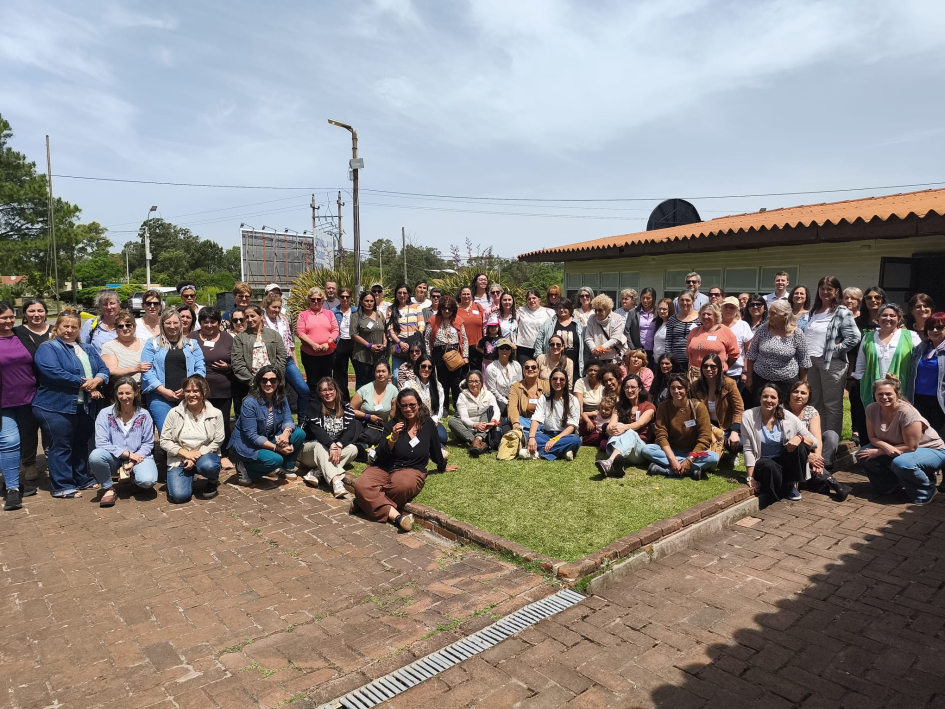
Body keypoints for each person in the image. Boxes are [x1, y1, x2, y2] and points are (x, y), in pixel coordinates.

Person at [353, 389, 458, 530]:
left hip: (411, 468)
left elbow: (434, 447)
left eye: (412, 405)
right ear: (399, 407)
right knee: (361, 485)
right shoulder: (391, 425)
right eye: (404, 406)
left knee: (401, 486)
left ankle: (363, 502)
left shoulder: (427, 424)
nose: (408, 409)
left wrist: (442, 465)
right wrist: (393, 438)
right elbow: (381, 453)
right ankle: (396, 517)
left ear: (419, 405)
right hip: (384, 466)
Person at [32, 309, 109, 499]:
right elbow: (54, 372)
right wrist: (85, 384)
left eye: (74, 327)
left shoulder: (88, 349)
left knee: (80, 443)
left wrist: (97, 380)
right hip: (55, 405)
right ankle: (63, 485)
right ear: (57, 327)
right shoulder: (48, 348)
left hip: (84, 405)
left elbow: (103, 369)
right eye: (65, 326)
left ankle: (82, 478)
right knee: (62, 445)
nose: (69, 330)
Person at [857, 374, 945, 505]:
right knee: (863, 454)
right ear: (874, 394)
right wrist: (885, 447)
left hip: (930, 449)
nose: (884, 397)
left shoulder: (907, 412)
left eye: (888, 394)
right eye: (880, 394)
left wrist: (880, 451)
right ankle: (891, 485)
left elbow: (911, 447)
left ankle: (926, 489)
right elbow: (872, 437)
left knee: (901, 463)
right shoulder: (871, 409)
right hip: (897, 447)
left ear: (897, 394)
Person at [796, 276, 860, 438]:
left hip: (831, 364)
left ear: (836, 291)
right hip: (811, 362)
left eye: (829, 289)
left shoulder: (842, 312)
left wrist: (836, 350)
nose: (825, 292)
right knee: (814, 401)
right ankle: (817, 437)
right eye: (822, 288)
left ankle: (831, 441)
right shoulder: (813, 312)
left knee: (832, 404)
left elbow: (854, 337)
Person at [88, 376, 160, 506]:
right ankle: (108, 488)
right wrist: (127, 454)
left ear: (136, 393)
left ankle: (134, 478)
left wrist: (133, 460)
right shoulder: (105, 414)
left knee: (147, 481)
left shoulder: (144, 415)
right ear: (116, 393)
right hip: (114, 457)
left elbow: (148, 443)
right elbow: (101, 442)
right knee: (95, 456)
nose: (124, 397)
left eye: (128, 393)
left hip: (139, 457)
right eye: (120, 393)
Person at [229, 366, 305, 484]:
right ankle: (245, 467)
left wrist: (286, 433)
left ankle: (284, 467)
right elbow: (251, 436)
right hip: (247, 444)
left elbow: (288, 419)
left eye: (273, 380)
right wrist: (276, 448)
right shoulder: (250, 403)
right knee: (275, 460)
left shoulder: (281, 397)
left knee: (299, 433)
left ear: (278, 382)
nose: (268, 384)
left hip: (268, 437)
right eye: (264, 380)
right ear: (259, 382)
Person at [743, 383, 815, 502]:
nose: (769, 400)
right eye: (765, 396)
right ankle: (782, 490)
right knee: (770, 466)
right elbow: (748, 448)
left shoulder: (787, 416)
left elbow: (814, 441)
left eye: (773, 397)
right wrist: (750, 477)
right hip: (763, 462)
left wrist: (800, 438)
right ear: (759, 398)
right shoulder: (748, 416)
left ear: (779, 400)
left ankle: (791, 484)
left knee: (801, 448)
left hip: (783, 460)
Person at [159, 374, 225, 501]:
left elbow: (218, 440)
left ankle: (212, 480)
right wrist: (184, 453)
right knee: (179, 497)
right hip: (179, 458)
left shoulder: (216, 413)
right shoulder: (174, 413)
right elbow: (164, 440)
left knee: (209, 466)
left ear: (204, 391)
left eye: (196, 391)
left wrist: (194, 456)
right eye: (188, 391)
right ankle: (189, 475)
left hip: (205, 456)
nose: (191, 394)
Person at [0, 301, 39, 509]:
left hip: (29, 399)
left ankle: (10, 479)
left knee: (25, 441)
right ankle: (13, 490)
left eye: (10, 316)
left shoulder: (21, 334)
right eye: (3, 317)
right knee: (9, 441)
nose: (8, 321)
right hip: (4, 403)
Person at [141, 310, 208, 431]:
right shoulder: (152, 344)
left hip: (189, 397)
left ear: (181, 324)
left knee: (191, 432)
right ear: (162, 324)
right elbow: (147, 371)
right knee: (168, 433)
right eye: (168, 323)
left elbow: (200, 369)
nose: (172, 326)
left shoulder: (192, 344)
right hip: (160, 398)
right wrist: (163, 391)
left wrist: (187, 390)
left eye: (175, 323)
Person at [642, 374, 719, 478]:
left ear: (687, 389)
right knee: (646, 449)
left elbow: (705, 437)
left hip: (693, 453)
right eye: (672, 388)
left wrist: (690, 459)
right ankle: (691, 470)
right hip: (670, 450)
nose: (676, 391)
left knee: (713, 457)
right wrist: (672, 459)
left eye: (680, 388)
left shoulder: (698, 407)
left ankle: (668, 470)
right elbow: (661, 435)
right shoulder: (663, 407)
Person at [10, 299, 53, 484]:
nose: (36, 314)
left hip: (52, 388)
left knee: (51, 428)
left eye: (40, 310)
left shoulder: (55, 330)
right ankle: (28, 463)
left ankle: (53, 462)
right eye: (31, 311)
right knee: (28, 429)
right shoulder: (17, 332)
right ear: (24, 314)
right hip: (26, 387)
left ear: (45, 312)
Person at [787, 380, 849, 500]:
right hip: (794, 450)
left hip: (811, 446)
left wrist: (818, 459)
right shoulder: (782, 411)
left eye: (803, 393)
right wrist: (808, 457)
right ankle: (829, 480)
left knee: (831, 435)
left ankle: (818, 474)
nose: (799, 396)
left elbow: (817, 438)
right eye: (795, 392)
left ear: (808, 396)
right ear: (789, 393)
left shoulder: (811, 411)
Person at [190, 308, 236, 462]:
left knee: (221, 422)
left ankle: (224, 453)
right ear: (200, 323)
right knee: (198, 422)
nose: (209, 325)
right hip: (197, 390)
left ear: (219, 322)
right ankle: (199, 453)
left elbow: (237, 363)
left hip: (222, 388)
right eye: (205, 322)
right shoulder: (191, 338)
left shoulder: (228, 338)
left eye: (213, 321)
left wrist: (228, 367)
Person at [300, 376, 360, 496]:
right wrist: (332, 445)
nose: (328, 393)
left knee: (353, 449)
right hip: (307, 450)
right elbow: (318, 432)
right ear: (320, 393)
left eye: (331, 389)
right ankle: (336, 482)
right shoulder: (314, 407)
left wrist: (339, 444)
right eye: (324, 390)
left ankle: (318, 472)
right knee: (319, 446)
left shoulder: (346, 408)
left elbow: (351, 430)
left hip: (330, 449)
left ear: (336, 390)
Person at [854, 303, 921, 408]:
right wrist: (863, 382)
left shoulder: (911, 336)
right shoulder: (868, 337)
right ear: (878, 318)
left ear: (899, 319)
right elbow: (861, 364)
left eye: (892, 315)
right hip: (874, 391)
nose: (888, 318)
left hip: (902, 390)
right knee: (876, 420)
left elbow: (919, 363)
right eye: (884, 315)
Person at [745, 299, 810, 404]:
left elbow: (804, 362)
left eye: (773, 313)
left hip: (786, 383)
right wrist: (749, 378)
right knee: (762, 411)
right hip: (761, 380)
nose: (769, 316)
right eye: (769, 312)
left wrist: (802, 385)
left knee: (784, 413)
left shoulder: (796, 333)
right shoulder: (762, 329)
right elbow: (751, 355)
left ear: (784, 315)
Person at [596, 374, 657, 476]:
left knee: (631, 432)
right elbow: (612, 424)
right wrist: (609, 429)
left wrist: (623, 427)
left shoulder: (649, 406)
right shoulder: (619, 406)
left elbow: (639, 424)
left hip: (638, 451)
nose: (629, 390)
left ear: (640, 388)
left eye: (633, 387)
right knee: (617, 425)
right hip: (618, 449)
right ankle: (617, 461)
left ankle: (609, 462)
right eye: (626, 387)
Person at [263, 292, 309, 423]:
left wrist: (295, 363)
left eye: (279, 307)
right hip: (271, 362)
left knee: (304, 390)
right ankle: (280, 422)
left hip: (288, 361)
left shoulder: (283, 320)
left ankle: (302, 422)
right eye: (274, 307)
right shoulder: (262, 321)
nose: (277, 310)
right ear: (266, 306)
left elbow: (290, 343)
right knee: (277, 393)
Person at [691, 353, 743, 455]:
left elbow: (739, 409)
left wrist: (735, 431)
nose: (709, 369)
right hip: (707, 425)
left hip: (727, 425)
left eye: (713, 366)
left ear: (719, 368)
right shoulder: (695, 386)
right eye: (705, 366)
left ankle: (732, 452)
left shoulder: (730, 384)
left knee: (739, 443)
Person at [525, 368, 581, 461]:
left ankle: (539, 453)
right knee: (526, 437)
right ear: (550, 380)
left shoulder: (573, 400)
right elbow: (536, 418)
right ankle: (563, 452)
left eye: (561, 379)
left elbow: (572, 426)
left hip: (564, 436)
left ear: (566, 381)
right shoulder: (544, 398)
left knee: (575, 440)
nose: (558, 382)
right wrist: (531, 438)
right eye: (555, 379)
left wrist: (555, 440)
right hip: (547, 435)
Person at [424, 295, 468, 412]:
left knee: (456, 382)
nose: (447, 311)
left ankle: (458, 407)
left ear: (453, 309)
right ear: (440, 309)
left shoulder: (458, 320)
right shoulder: (433, 320)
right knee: (442, 382)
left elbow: (464, 339)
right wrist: (429, 357)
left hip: (454, 353)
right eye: (444, 308)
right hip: (438, 353)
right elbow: (427, 340)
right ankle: (444, 407)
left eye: (449, 309)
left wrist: (466, 356)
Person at [908, 312, 945, 435]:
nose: (934, 330)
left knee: (938, 437)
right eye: (930, 327)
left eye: (940, 327)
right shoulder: (921, 347)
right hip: (918, 399)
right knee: (921, 436)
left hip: (939, 401)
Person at [296, 286, 339, 391]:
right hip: (310, 354)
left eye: (318, 299)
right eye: (313, 299)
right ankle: (314, 404)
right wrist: (312, 344)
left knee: (327, 380)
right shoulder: (303, 315)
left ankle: (327, 404)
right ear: (309, 300)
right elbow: (300, 332)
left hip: (328, 353)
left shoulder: (329, 314)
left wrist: (328, 343)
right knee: (312, 381)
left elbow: (335, 330)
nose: (316, 301)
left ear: (322, 300)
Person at [449, 370, 500, 456]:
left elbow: (496, 410)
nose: (474, 384)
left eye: (476, 381)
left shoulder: (488, 394)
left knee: (487, 411)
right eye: (471, 381)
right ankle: (476, 441)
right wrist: (475, 425)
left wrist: (493, 422)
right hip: (468, 427)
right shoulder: (462, 396)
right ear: (467, 382)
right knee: (452, 421)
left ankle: (478, 438)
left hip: (484, 426)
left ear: (481, 382)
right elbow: (464, 417)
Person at [101, 310, 149, 398]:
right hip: (121, 392)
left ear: (134, 326)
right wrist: (135, 369)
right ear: (116, 329)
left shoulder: (146, 344)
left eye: (128, 325)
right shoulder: (109, 346)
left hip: (144, 391)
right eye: (120, 326)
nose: (125, 328)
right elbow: (112, 371)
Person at [400, 355, 448, 444]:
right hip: (414, 422)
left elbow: (440, 408)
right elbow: (405, 407)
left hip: (431, 421)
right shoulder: (409, 385)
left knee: (442, 437)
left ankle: (425, 442)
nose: (426, 369)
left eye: (430, 367)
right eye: (423, 366)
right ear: (418, 366)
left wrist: (433, 420)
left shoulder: (437, 386)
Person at [685, 303, 739, 376]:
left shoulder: (725, 331)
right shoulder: (694, 331)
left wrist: (722, 367)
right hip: (695, 376)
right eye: (703, 314)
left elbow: (734, 354)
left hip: (715, 375)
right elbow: (688, 352)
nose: (705, 317)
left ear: (716, 315)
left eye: (709, 314)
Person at [535, 299, 585, 377]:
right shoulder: (548, 323)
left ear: (570, 309)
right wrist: (539, 357)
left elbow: (584, 343)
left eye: (564, 307)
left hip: (574, 365)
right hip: (551, 365)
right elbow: (539, 340)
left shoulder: (578, 324)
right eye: (559, 308)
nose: (562, 310)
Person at [388, 283, 425, 385]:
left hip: (414, 344)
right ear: (396, 294)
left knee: (416, 374)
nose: (402, 295)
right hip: (399, 345)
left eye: (405, 293)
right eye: (399, 293)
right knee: (396, 376)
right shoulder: (391, 309)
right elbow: (390, 330)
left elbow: (421, 326)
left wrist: (415, 341)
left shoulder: (416, 307)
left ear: (408, 295)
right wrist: (400, 343)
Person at [351, 291, 387, 390]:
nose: (369, 303)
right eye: (366, 301)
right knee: (363, 383)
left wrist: (384, 344)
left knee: (376, 382)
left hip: (378, 356)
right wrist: (369, 345)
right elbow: (353, 335)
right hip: (362, 356)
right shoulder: (356, 316)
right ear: (361, 302)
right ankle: (361, 404)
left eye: (372, 301)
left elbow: (384, 331)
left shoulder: (379, 315)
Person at [508, 360, 549, 443]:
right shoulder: (516, 387)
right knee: (513, 420)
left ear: (538, 370)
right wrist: (515, 423)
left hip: (542, 422)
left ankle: (526, 436)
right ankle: (538, 436)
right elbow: (512, 407)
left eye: (533, 367)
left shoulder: (547, 386)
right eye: (527, 367)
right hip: (525, 420)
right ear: (523, 370)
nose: (530, 369)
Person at [720, 296, 752, 398]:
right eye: (726, 307)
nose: (728, 309)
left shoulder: (743, 325)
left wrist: (745, 372)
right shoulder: (715, 324)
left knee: (735, 402)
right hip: (716, 372)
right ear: (721, 308)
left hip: (736, 373)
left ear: (737, 310)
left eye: (732, 307)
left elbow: (749, 351)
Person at [585, 294, 627, 369]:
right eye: (595, 310)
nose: (597, 313)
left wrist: (601, 348)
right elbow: (588, 337)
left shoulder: (617, 318)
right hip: (597, 358)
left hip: (613, 358)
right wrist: (594, 349)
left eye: (600, 310)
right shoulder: (592, 318)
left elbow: (616, 338)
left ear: (608, 309)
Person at [351, 361, 399, 426]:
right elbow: (350, 410)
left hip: (382, 427)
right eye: (378, 371)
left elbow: (393, 415)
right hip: (363, 424)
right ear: (374, 374)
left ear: (389, 374)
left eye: (383, 371)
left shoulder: (393, 391)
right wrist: (368, 416)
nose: (381, 374)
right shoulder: (364, 390)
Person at [515, 290, 554, 365]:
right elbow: (509, 316)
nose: (531, 300)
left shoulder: (549, 312)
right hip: (523, 347)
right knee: (525, 371)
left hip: (542, 347)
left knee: (540, 372)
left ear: (539, 300)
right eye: (529, 299)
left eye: (534, 298)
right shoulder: (521, 311)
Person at [331, 287, 356, 400]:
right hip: (340, 342)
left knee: (360, 372)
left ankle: (359, 400)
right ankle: (343, 400)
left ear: (351, 298)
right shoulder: (333, 312)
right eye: (342, 297)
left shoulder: (357, 311)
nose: (345, 299)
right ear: (339, 297)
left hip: (355, 343)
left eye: (347, 296)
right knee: (340, 375)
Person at [664, 290, 700, 371]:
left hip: (695, 361)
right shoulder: (672, 319)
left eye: (687, 300)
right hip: (677, 361)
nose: (684, 303)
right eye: (682, 300)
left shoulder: (700, 317)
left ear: (693, 301)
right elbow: (668, 341)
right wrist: (669, 358)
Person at [485, 339, 522, 415]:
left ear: (511, 350)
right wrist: (507, 402)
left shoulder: (517, 365)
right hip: (499, 401)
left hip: (516, 398)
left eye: (507, 348)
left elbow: (520, 385)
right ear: (497, 350)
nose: (504, 350)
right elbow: (492, 391)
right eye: (502, 348)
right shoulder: (491, 368)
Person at [456, 287, 486, 373]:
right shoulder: (455, 309)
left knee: (477, 373)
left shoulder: (477, 306)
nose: (466, 296)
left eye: (468, 294)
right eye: (464, 294)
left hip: (477, 347)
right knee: (463, 374)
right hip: (461, 347)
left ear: (471, 295)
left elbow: (485, 323)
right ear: (460, 295)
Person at [228, 307, 250, 418]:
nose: (239, 323)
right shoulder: (227, 337)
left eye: (242, 319)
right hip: (236, 378)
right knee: (240, 408)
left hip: (254, 376)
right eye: (235, 320)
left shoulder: (253, 335)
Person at [575, 360, 605, 438]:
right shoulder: (580, 382)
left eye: (596, 370)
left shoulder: (604, 383)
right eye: (590, 370)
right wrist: (581, 418)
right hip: (584, 415)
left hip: (601, 415)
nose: (593, 372)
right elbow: (579, 403)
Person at [625, 287, 657, 357]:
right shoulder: (633, 312)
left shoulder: (657, 313)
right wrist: (633, 348)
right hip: (637, 351)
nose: (645, 300)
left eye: (648, 298)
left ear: (653, 298)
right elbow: (626, 331)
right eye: (643, 298)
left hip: (654, 351)